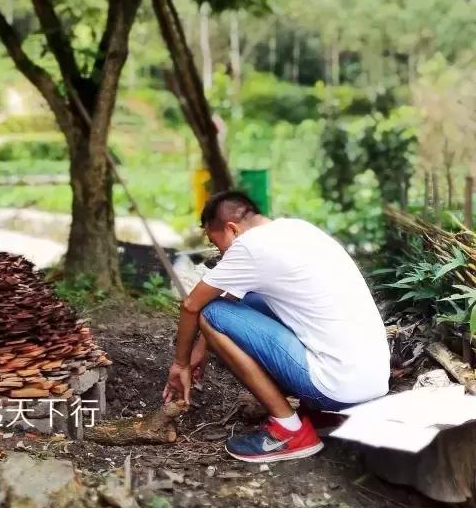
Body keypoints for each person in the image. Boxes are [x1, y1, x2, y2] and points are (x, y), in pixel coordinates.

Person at [163, 190, 390, 463]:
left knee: (211, 313)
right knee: (253, 300)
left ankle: (289, 430)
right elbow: (236, 298)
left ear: (232, 229)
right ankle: (321, 416)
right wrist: (203, 346)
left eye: (216, 243)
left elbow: (192, 306)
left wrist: (181, 363)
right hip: (372, 381)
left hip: (334, 386)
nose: (220, 253)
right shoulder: (298, 230)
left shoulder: (248, 247)